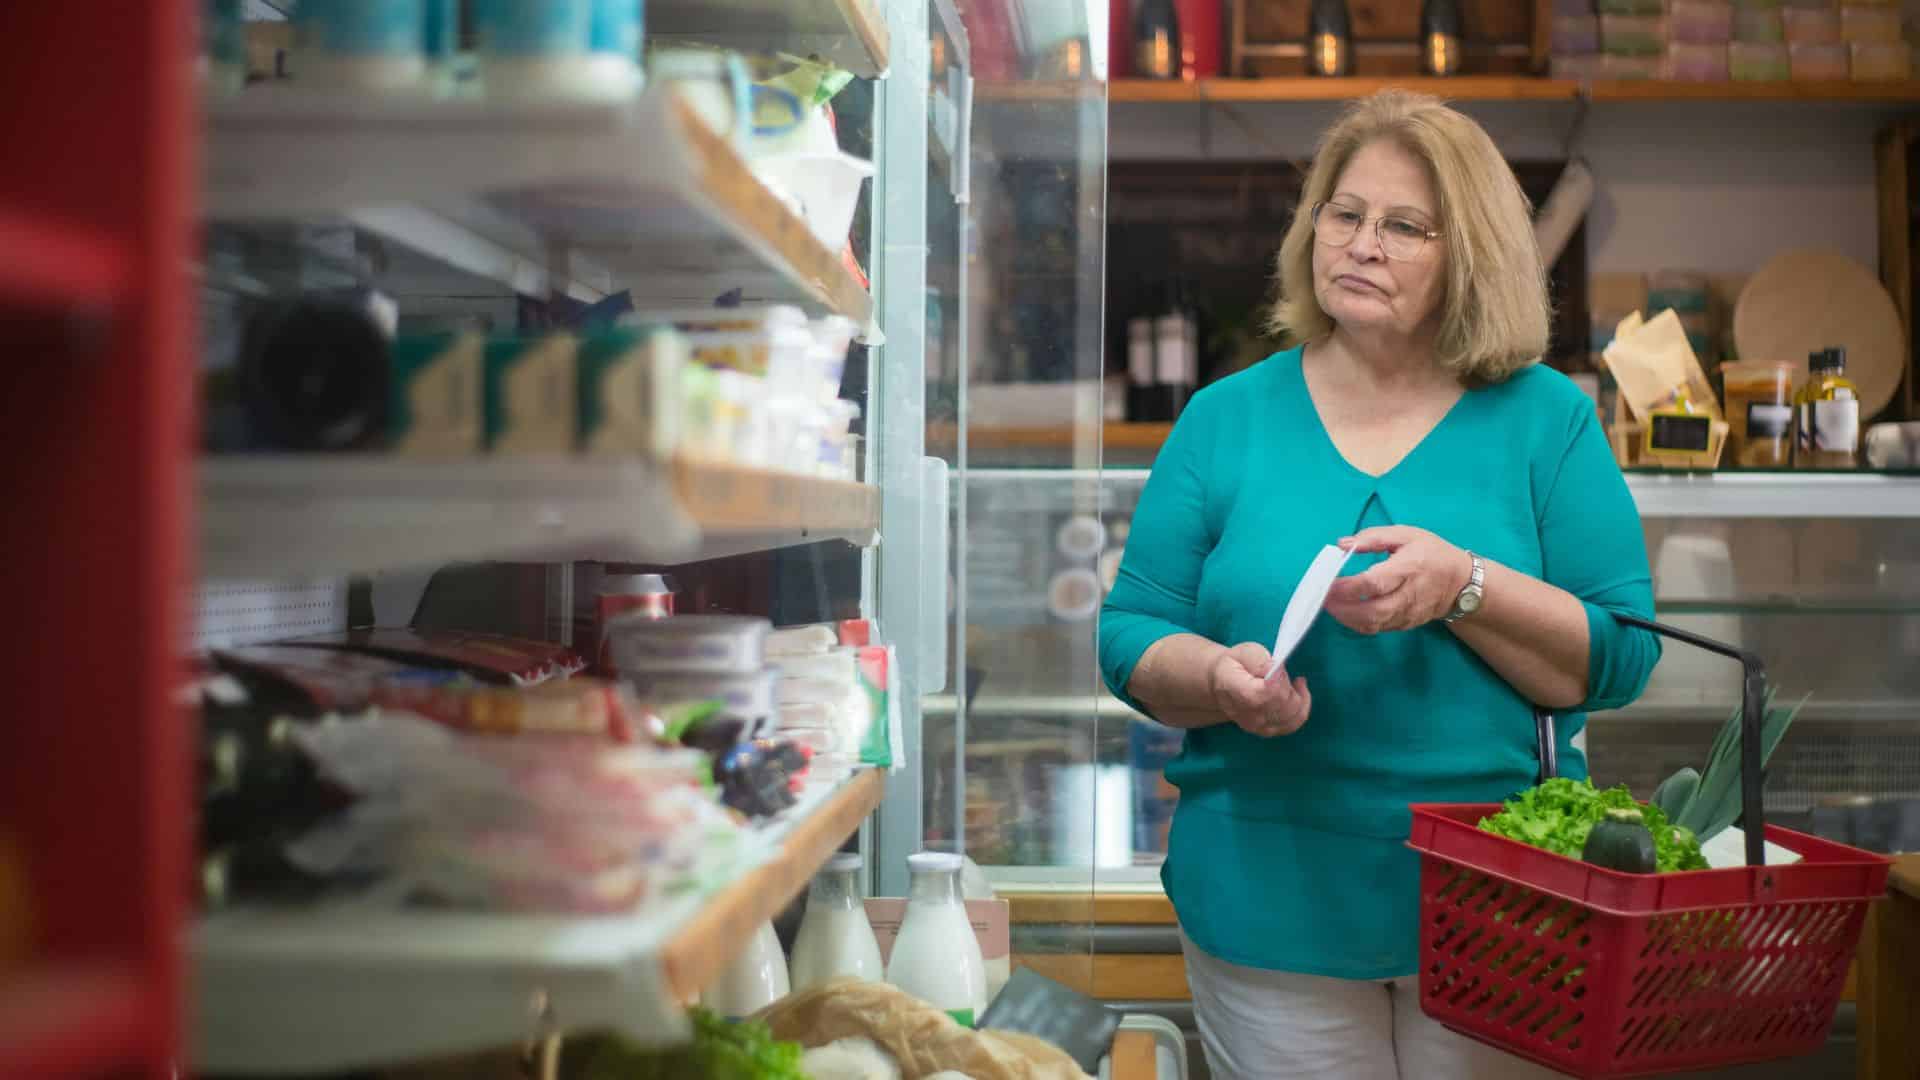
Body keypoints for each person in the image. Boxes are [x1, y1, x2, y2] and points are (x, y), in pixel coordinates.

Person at [1097, 90, 1660, 1080]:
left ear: (1469, 254)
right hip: (1267, 901)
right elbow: (1132, 633)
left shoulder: (1548, 421)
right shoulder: (1225, 420)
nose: (1361, 244)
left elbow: (1617, 657)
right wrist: (1218, 679)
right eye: (1343, 214)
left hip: (1499, 901)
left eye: (1405, 227)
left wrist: (1466, 586)